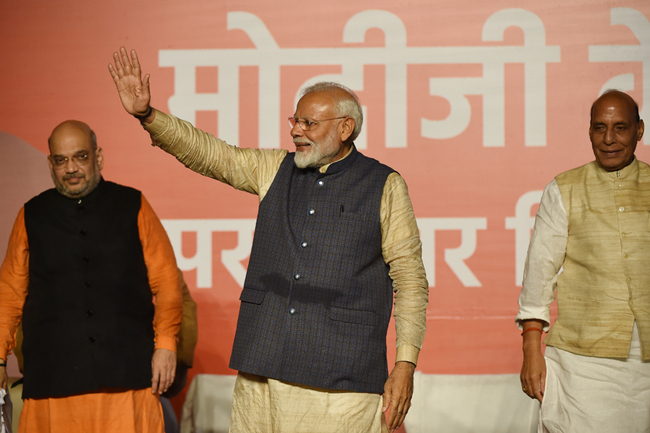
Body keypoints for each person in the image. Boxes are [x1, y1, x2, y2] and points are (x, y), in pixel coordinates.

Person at [109, 46, 429, 433]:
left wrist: (404, 364)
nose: (296, 131)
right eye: (295, 121)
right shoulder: (274, 168)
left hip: (342, 380)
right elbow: (211, 154)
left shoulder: (384, 185)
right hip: (263, 368)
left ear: (345, 128)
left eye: (309, 123)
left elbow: (410, 279)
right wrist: (148, 116)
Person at [0, 120, 183, 433]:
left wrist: (166, 345)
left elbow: (166, 282)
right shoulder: (31, 215)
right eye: (61, 160)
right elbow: (9, 294)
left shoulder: (133, 205)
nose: (71, 168)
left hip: (126, 380)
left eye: (80, 157)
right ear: (50, 163)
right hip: (52, 382)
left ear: (98, 157)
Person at [517, 90, 650, 432]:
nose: (608, 139)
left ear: (639, 130)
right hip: (583, 362)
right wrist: (532, 349)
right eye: (599, 128)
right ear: (589, 131)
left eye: (620, 128)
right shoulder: (565, 188)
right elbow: (539, 273)